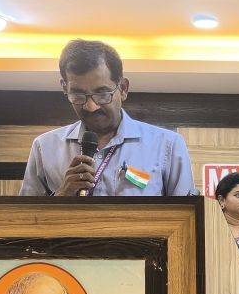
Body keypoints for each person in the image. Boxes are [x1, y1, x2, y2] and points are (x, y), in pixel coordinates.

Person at [20, 39, 196, 197]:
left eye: (102, 94)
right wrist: (61, 197)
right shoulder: (44, 147)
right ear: (65, 88)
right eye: (78, 95)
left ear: (123, 88)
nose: (91, 106)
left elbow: (187, 218)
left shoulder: (167, 146)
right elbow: (24, 219)